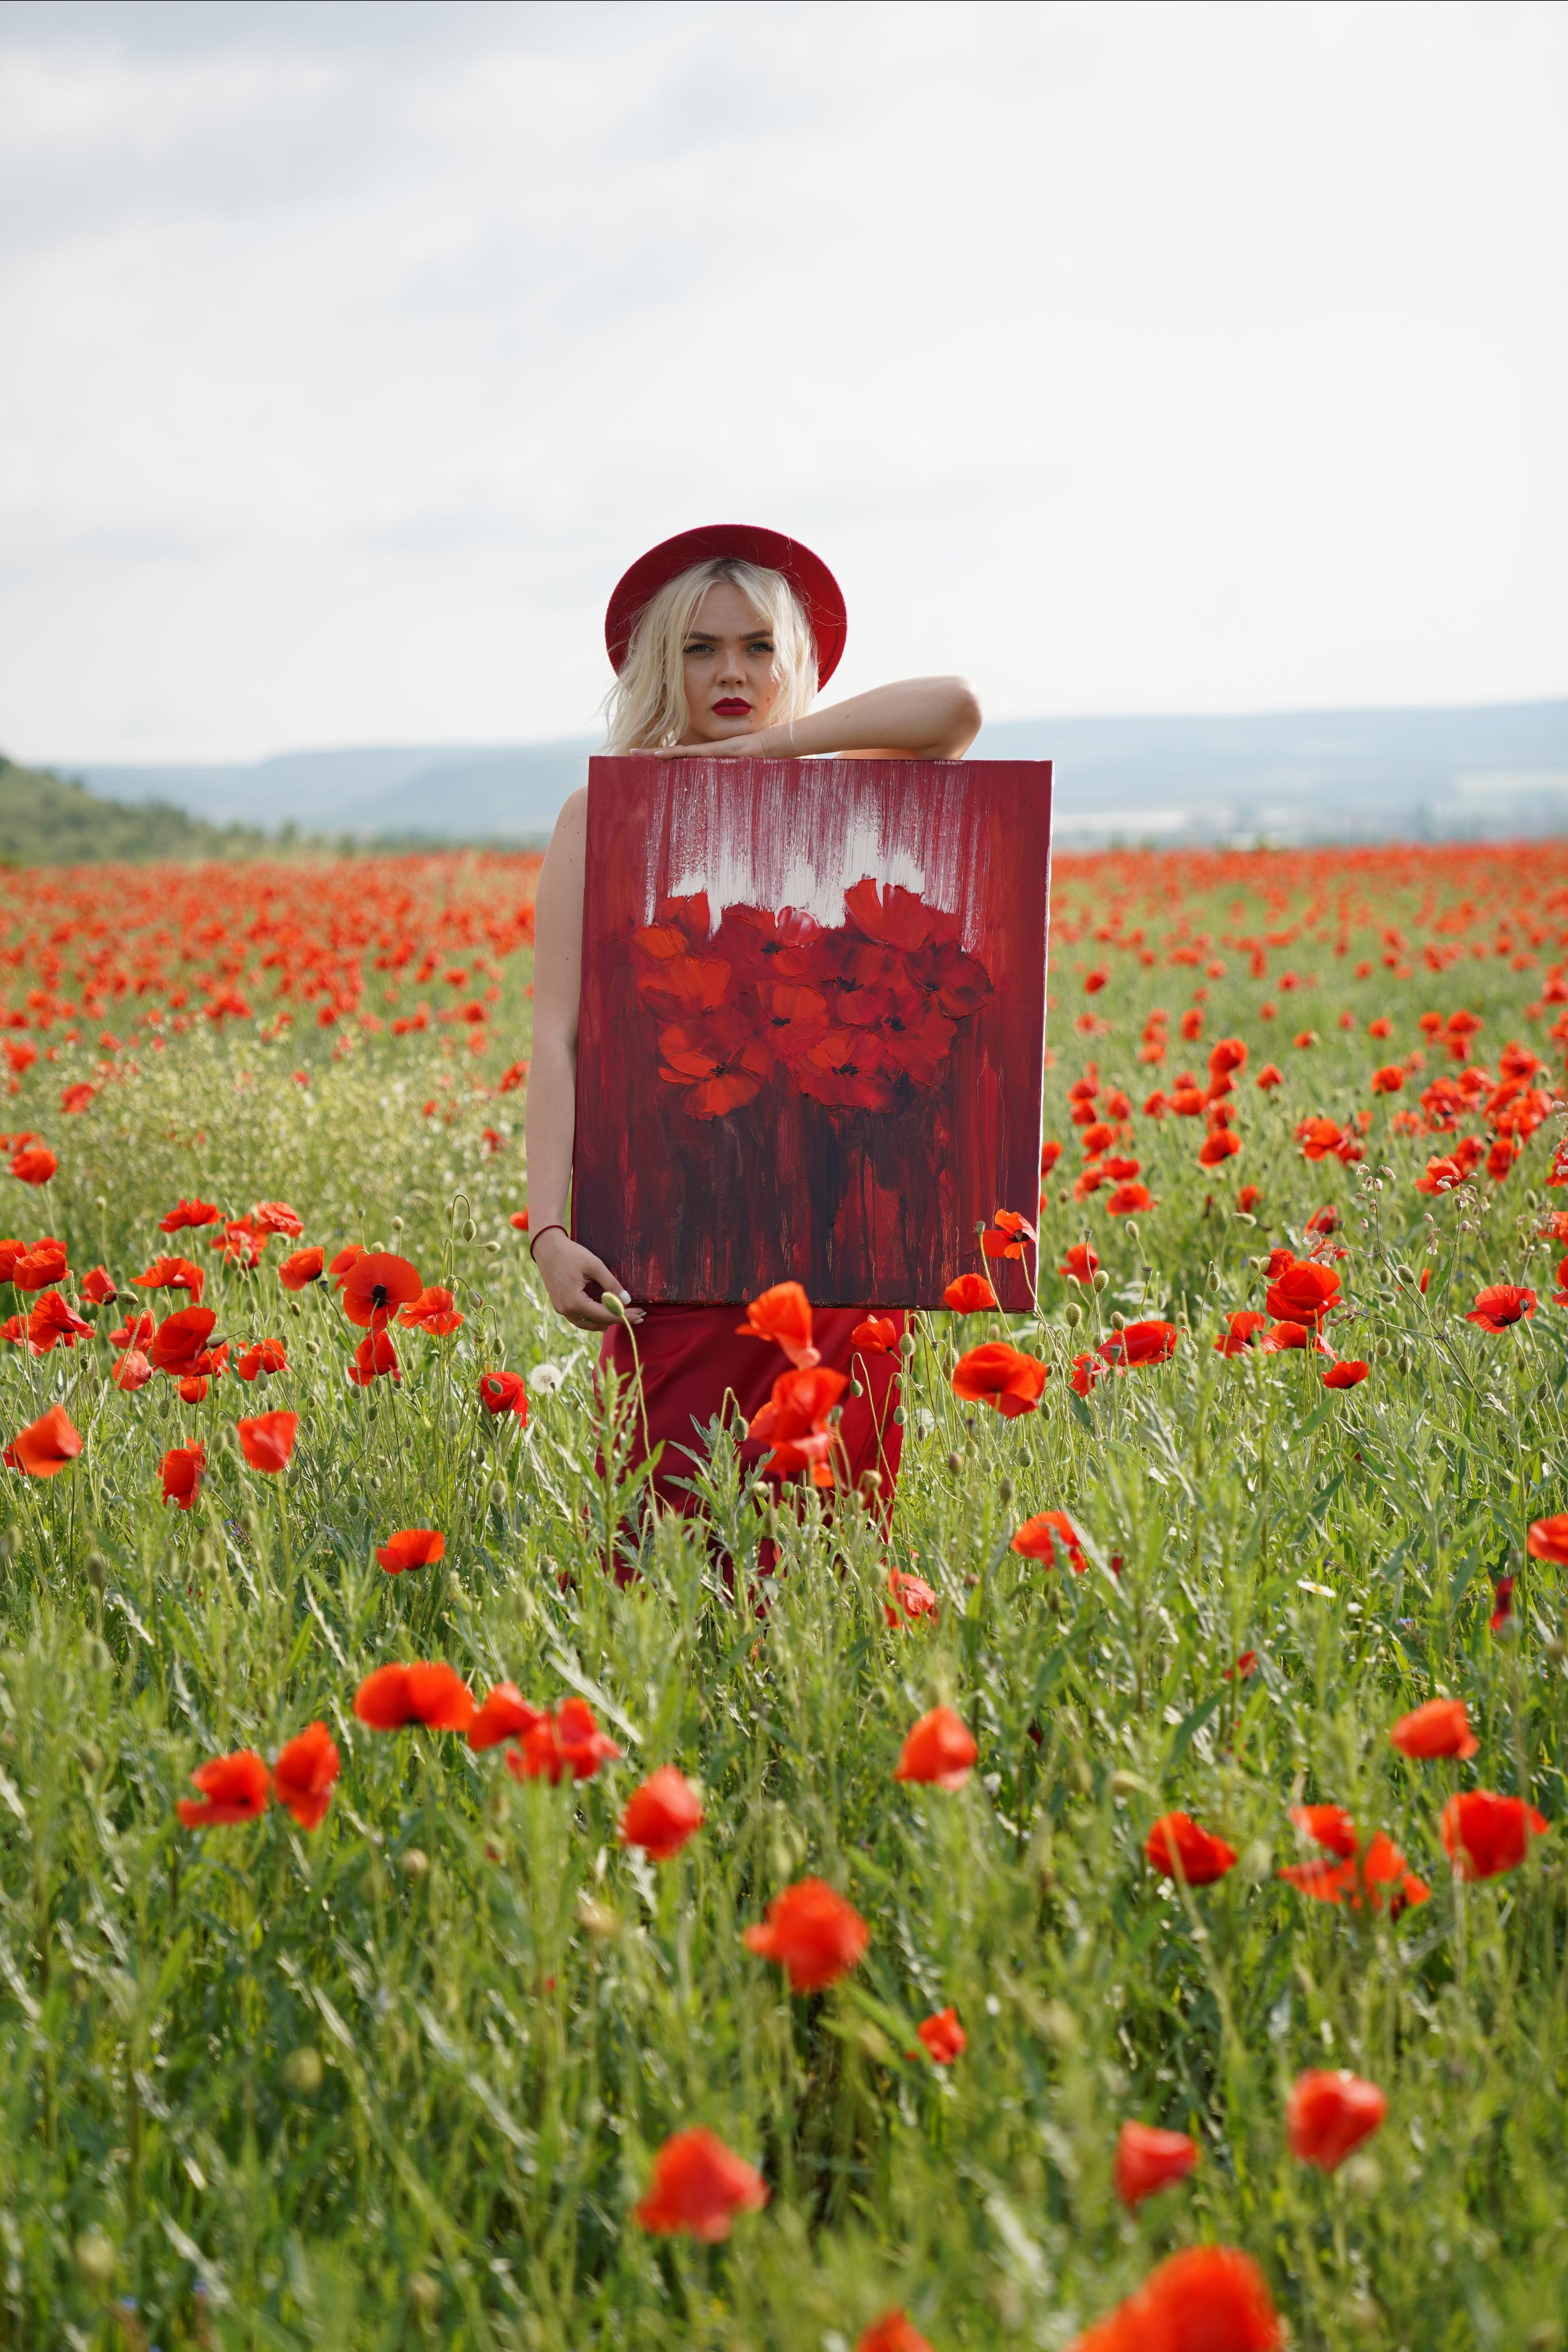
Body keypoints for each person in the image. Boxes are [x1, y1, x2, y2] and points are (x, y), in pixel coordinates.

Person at [525, 524, 981, 1540]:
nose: (731, 672)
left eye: (757, 647)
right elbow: (558, 1038)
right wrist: (548, 1234)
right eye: (699, 649)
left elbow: (955, 709)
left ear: (792, 660)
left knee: (829, 1551)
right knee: (664, 1538)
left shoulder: (838, 782)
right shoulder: (601, 816)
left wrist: (761, 756)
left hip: (837, 1246)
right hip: (669, 1243)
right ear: (659, 664)